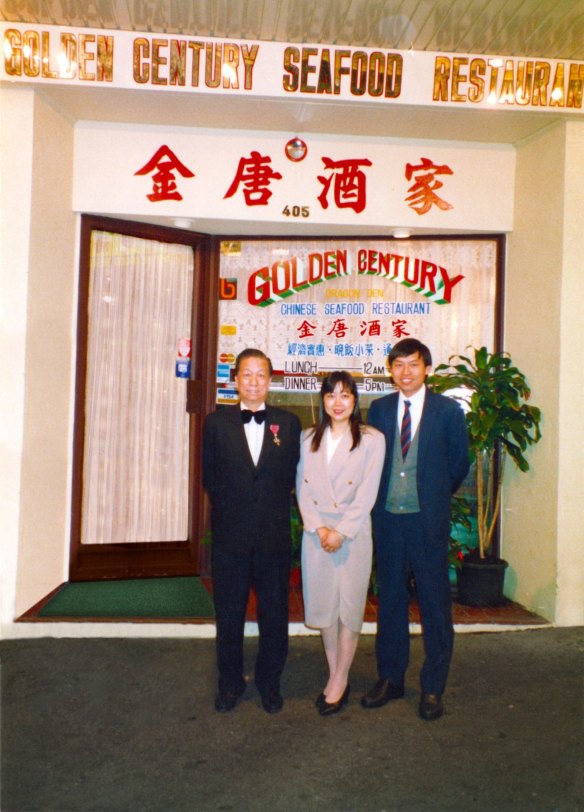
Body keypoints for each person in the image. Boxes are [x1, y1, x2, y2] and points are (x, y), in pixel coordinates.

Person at [361, 338, 470, 721]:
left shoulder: (448, 412)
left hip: (427, 521)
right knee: (389, 600)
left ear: (426, 368)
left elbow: (458, 465)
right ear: (391, 369)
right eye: (398, 364)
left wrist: (434, 496)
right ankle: (391, 678)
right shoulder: (378, 410)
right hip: (388, 520)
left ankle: (433, 686)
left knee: (434, 605)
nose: (405, 371)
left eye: (413, 364)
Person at [202, 348, 301, 714]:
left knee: (274, 613)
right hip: (231, 538)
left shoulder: (288, 423)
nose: (254, 381)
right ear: (236, 380)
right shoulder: (216, 423)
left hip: (273, 537)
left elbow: (290, 476)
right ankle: (229, 683)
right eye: (247, 374)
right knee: (229, 613)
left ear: (270, 380)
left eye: (261, 374)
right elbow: (209, 477)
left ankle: (269, 682)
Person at [296, 371, 385, 716]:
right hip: (317, 535)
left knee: (348, 606)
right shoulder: (307, 439)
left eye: (345, 396)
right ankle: (336, 674)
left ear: (355, 401)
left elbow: (367, 493)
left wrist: (341, 531)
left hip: (353, 533)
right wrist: (319, 528)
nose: (337, 403)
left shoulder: (371, 439)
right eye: (331, 395)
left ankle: (340, 678)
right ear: (322, 399)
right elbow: (302, 488)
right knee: (324, 606)